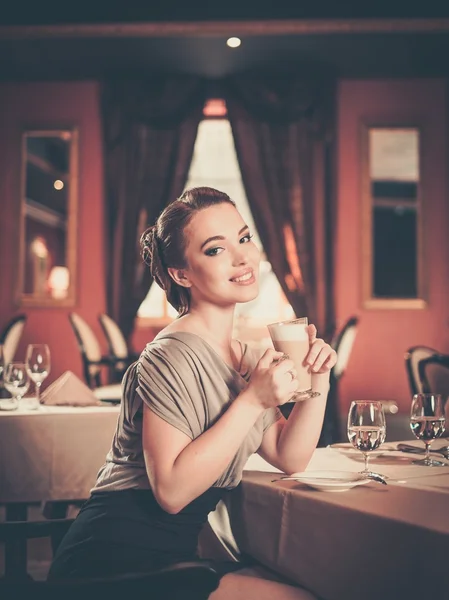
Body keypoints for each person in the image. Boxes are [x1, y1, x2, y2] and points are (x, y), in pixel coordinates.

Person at [48, 187, 337, 599]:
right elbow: (170, 491)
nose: (243, 258)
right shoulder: (169, 356)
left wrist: (318, 379)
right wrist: (253, 399)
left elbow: (290, 456)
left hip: (171, 555)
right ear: (181, 273)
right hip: (113, 560)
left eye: (244, 238)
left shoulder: (246, 357)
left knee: (316, 580)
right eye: (216, 250)